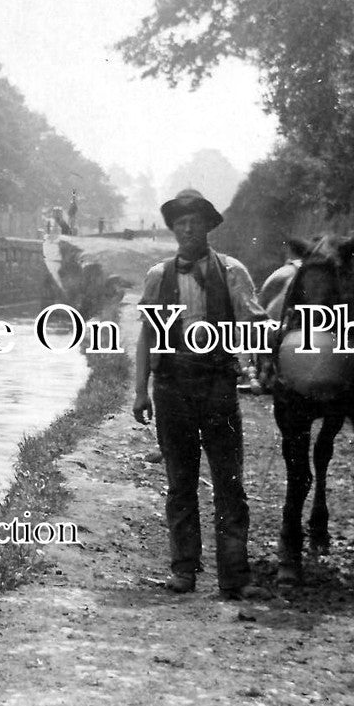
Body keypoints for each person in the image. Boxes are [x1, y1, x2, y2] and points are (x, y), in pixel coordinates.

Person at [132, 188, 269, 601]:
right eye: (180, 223)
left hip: (218, 388)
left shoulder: (232, 272)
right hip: (172, 387)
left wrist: (261, 363)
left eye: (195, 222)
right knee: (180, 483)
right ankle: (184, 571)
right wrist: (141, 391)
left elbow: (255, 322)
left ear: (209, 226)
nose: (187, 229)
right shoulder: (159, 276)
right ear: (173, 229)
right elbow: (146, 335)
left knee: (230, 483)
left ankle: (234, 577)